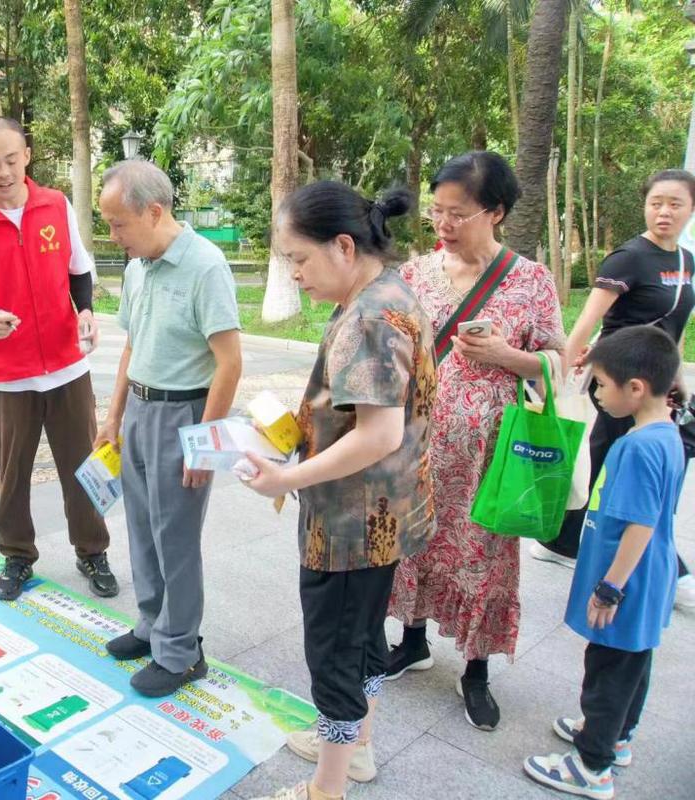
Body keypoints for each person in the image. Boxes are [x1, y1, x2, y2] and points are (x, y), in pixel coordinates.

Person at [242, 182, 436, 800]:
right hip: (385, 513)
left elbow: (377, 434)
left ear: (344, 246)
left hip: (352, 526)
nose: (296, 274)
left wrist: (285, 478)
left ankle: (329, 785)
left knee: (333, 655)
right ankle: (357, 746)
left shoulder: (370, 317)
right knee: (361, 640)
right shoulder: (387, 290)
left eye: (299, 259)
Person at [385, 152, 565, 730]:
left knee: (482, 560)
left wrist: (509, 358)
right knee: (414, 545)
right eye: (437, 211)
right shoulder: (415, 274)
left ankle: (476, 671)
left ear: (496, 212)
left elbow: (560, 363)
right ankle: (412, 641)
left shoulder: (530, 280)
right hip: (418, 447)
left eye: (457, 213)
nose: (443, 224)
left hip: (488, 457)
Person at [0, 116, 118, 601]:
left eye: (12, 160)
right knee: (13, 472)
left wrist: (85, 313)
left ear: (27, 156)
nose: (3, 172)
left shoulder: (56, 208)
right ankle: (17, 556)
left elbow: (79, 273)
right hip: (10, 374)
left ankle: (92, 550)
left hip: (67, 366)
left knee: (83, 466)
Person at [93, 160, 242, 698]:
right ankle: (151, 626)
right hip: (138, 407)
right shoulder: (138, 268)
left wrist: (205, 445)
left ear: (154, 212)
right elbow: (131, 346)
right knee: (141, 527)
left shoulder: (206, 266)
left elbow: (229, 363)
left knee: (175, 539)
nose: (113, 238)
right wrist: (112, 417)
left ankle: (181, 653)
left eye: (118, 225)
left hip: (184, 415)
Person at [525, 325, 684, 800]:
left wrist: (610, 587)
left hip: (627, 583)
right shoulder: (666, 434)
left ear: (635, 389)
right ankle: (614, 736)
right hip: (649, 579)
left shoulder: (637, 447)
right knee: (632, 664)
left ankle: (592, 766)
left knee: (607, 670)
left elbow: (639, 526)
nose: (595, 394)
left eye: (600, 384)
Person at [533, 169, 695, 611]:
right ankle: (664, 566)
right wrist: (561, 375)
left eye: (675, 204)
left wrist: (675, 379)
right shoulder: (629, 258)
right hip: (618, 382)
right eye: (656, 202)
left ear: (691, 209)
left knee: (625, 461)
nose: (664, 211)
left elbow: (675, 329)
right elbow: (588, 321)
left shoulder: (685, 261)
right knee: (622, 463)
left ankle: (563, 539)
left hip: (656, 385)